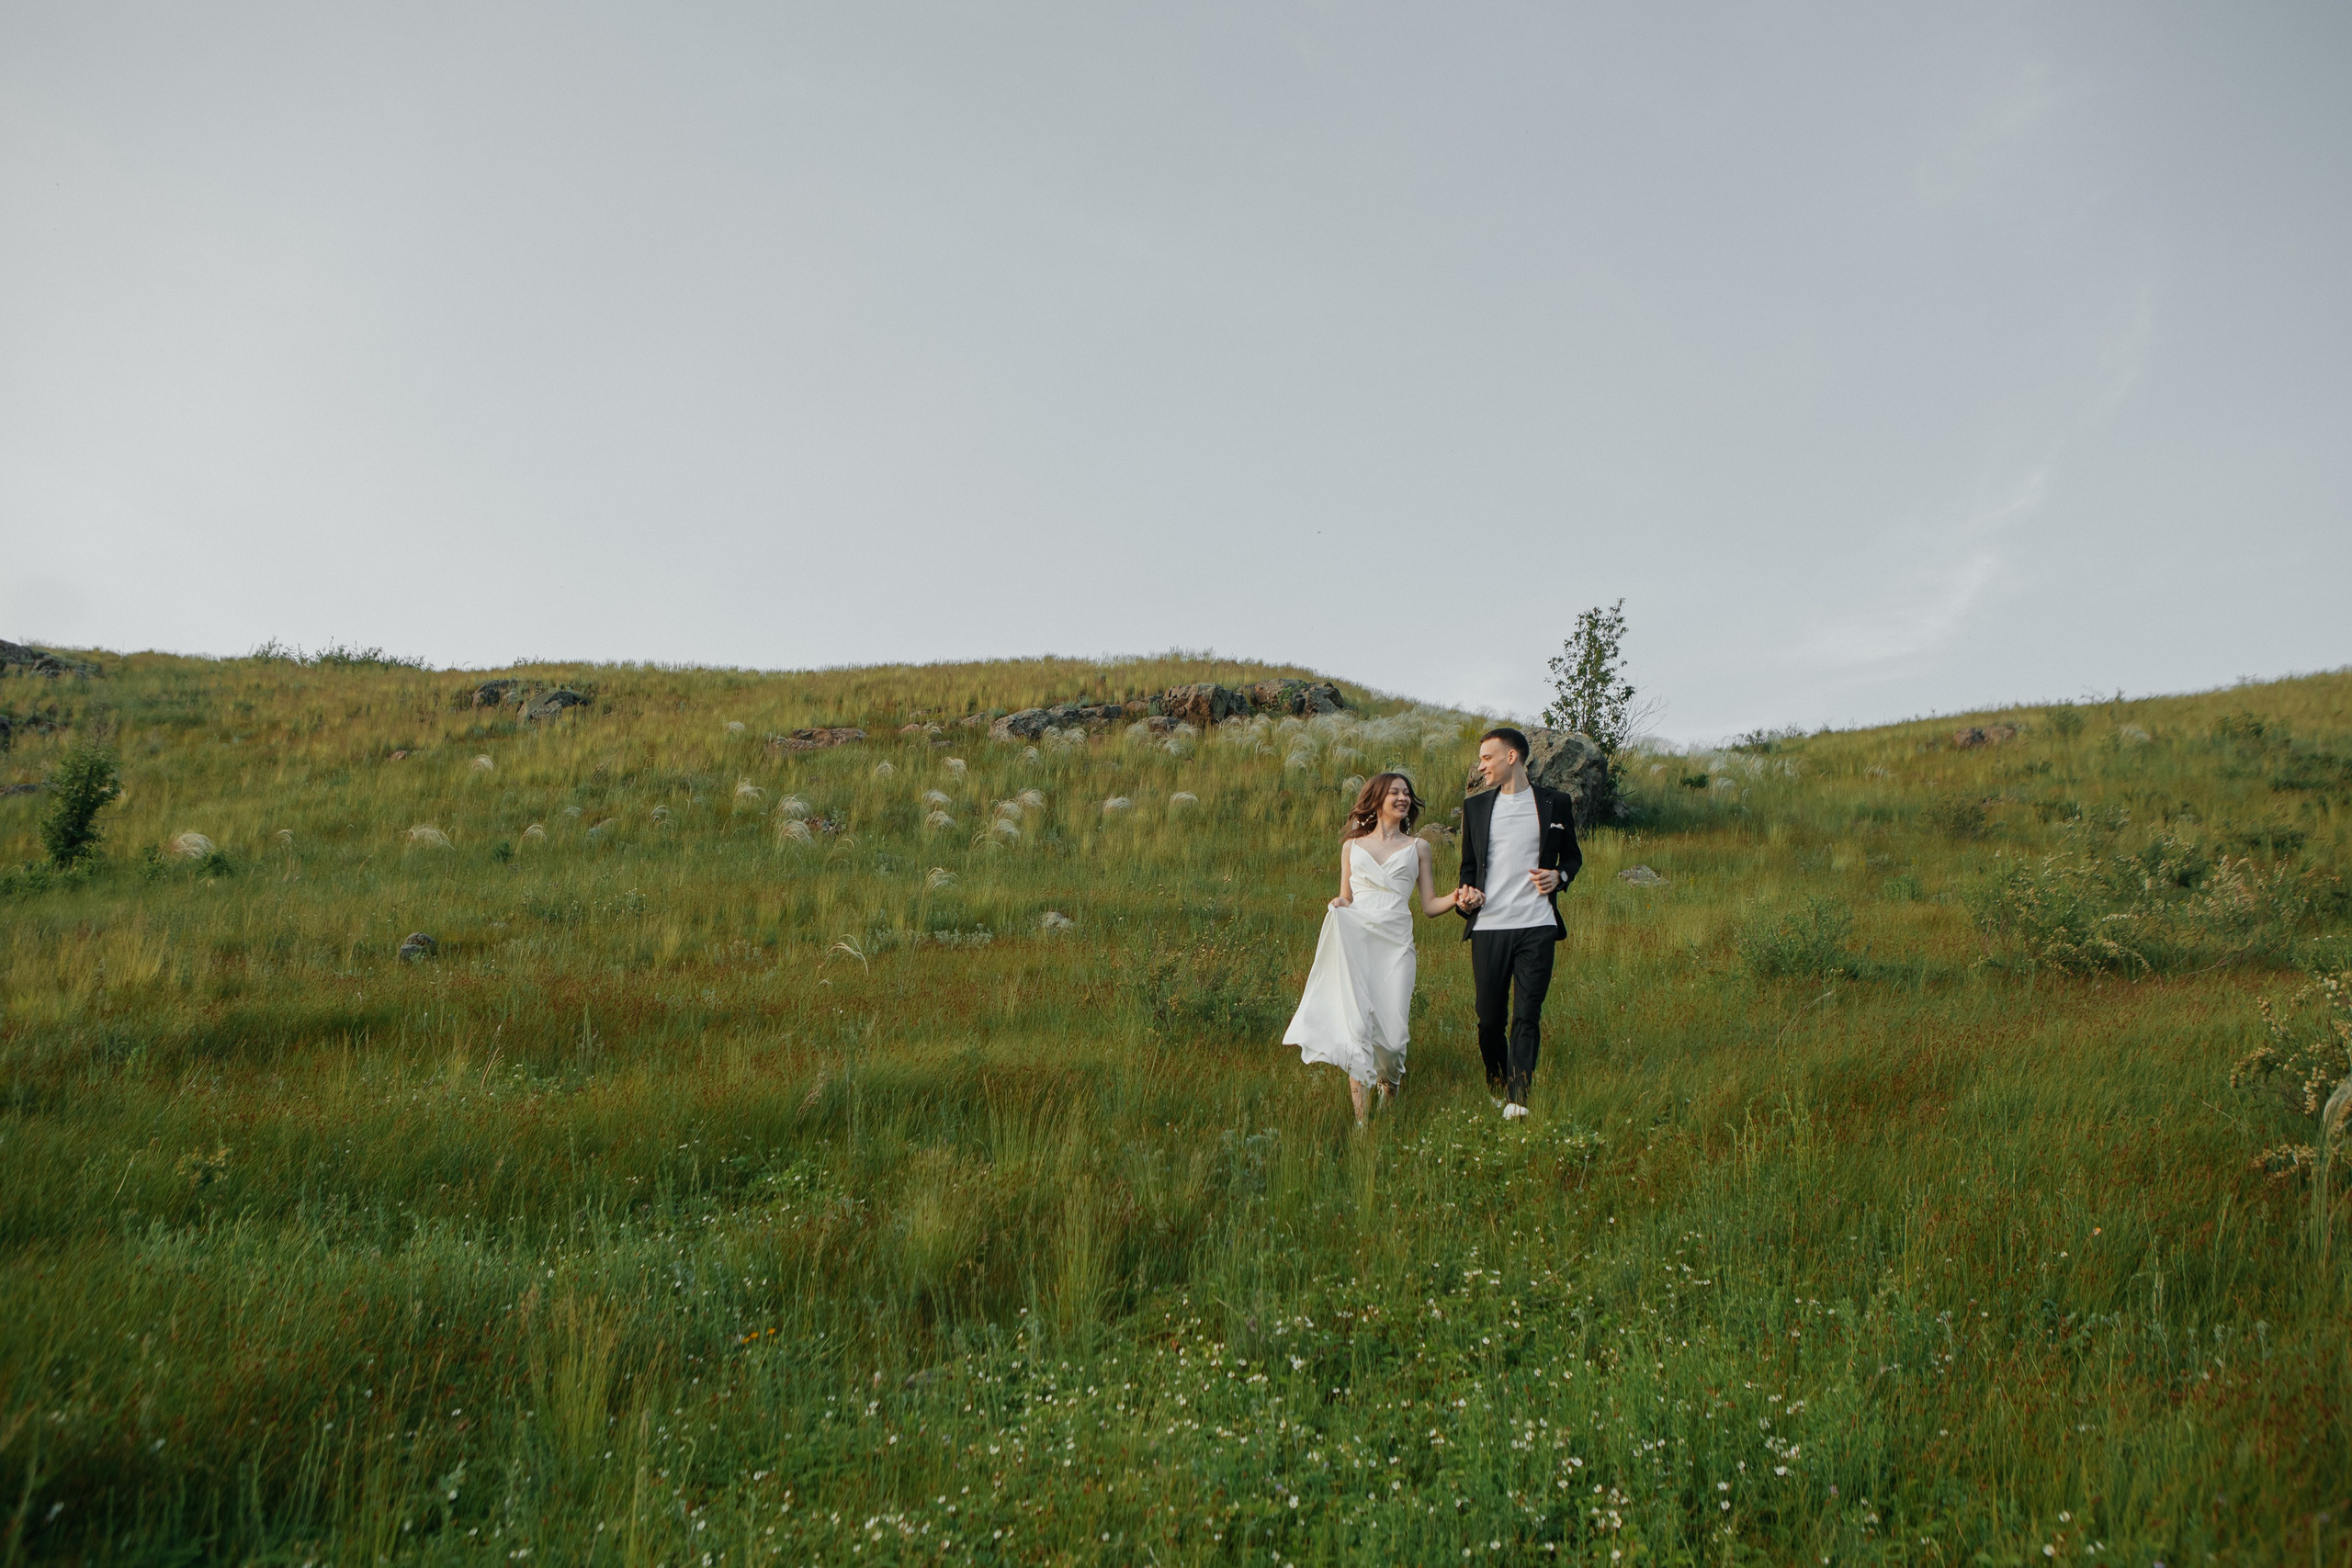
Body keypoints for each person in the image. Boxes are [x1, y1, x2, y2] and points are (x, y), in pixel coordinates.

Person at [1283, 772, 1470, 1125]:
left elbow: (1429, 905)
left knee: (1395, 1038)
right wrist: (1338, 902)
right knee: (1359, 1027)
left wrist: (1457, 896)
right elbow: (1347, 896)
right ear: (1378, 798)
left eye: (1407, 794)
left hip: (1396, 944)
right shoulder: (1352, 847)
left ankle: (1391, 1085)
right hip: (1358, 939)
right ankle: (1361, 1124)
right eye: (1395, 793)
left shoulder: (1419, 848)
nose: (1403, 798)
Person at [1451, 727, 1581, 1119]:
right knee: (1489, 1020)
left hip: (1536, 924)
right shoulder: (1475, 808)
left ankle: (1518, 1099)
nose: (1480, 766)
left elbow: (1572, 858)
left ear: (1511, 758)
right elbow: (1468, 870)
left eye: (1487, 758)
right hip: (1489, 926)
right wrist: (1465, 897)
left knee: (1527, 1014)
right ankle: (1496, 1083)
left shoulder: (1556, 803)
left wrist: (1560, 877)